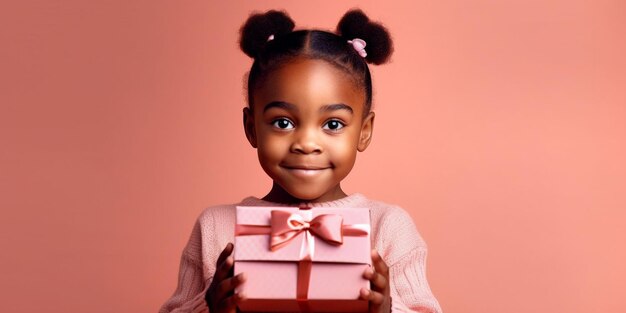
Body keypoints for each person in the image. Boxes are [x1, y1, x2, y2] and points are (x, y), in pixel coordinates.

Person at [159, 8, 442, 313]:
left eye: (332, 124)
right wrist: (209, 307)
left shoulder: (388, 227)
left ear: (364, 131)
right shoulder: (215, 227)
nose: (307, 144)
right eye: (283, 122)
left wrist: (387, 309)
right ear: (252, 128)